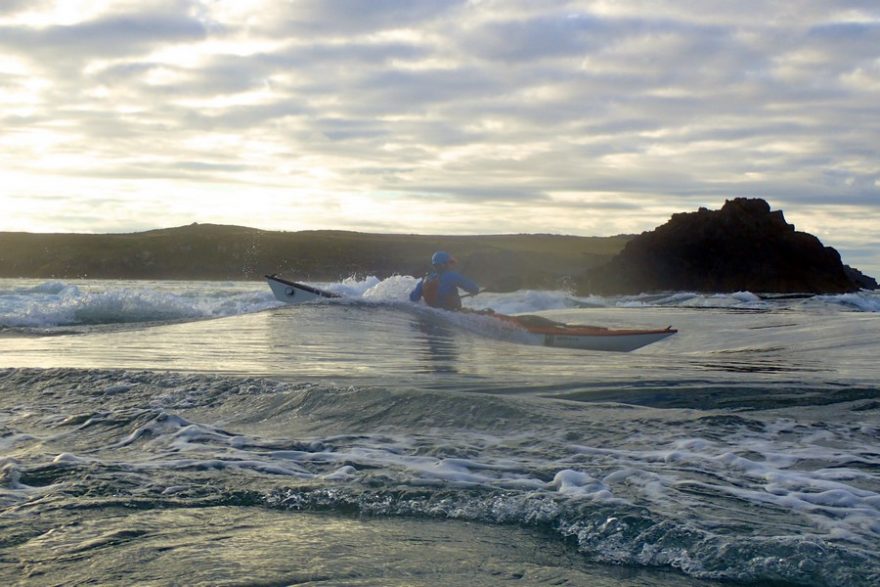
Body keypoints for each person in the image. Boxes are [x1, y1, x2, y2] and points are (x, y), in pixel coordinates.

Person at [410, 251, 479, 311]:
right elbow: (474, 288)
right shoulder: (452, 276)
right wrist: (474, 292)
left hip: (434, 311)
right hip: (452, 312)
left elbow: (413, 298)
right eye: (450, 263)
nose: (451, 265)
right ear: (444, 264)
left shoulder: (426, 279)